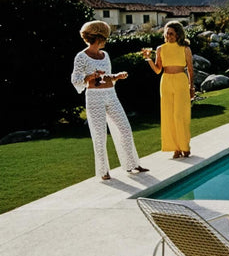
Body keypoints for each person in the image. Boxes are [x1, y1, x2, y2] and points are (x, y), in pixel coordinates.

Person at [71, 20, 148, 181]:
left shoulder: (105, 55)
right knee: (99, 135)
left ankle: (132, 164)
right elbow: (76, 80)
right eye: (105, 38)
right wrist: (90, 76)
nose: (106, 41)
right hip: (94, 98)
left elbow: (107, 76)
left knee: (125, 129)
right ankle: (103, 171)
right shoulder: (81, 57)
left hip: (111, 95)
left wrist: (117, 76)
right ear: (99, 38)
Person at [144, 20, 195, 158]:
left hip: (181, 81)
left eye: (171, 34)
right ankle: (176, 148)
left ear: (178, 35)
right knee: (169, 116)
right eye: (167, 34)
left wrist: (192, 87)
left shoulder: (185, 48)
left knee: (180, 115)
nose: (168, 36)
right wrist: (148, 59)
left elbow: (190, 70)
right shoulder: (160, 49)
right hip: (166, 81)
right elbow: (157, 70)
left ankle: (185, 146)